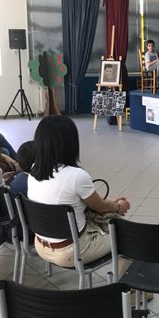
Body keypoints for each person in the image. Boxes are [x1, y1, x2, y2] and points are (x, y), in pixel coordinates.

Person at [28, 115, 131, 268]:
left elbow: (96, 203)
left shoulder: (34, 169)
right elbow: (101, 207)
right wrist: (118, 206)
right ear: (71, 142)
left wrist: (110, 203)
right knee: (129, 237)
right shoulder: (76, 176)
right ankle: (127, 283)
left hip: (41, 245)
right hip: (71, 251)